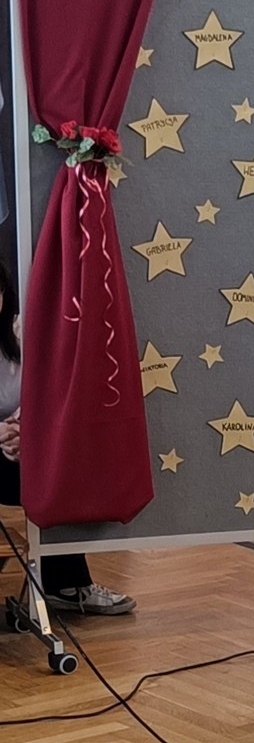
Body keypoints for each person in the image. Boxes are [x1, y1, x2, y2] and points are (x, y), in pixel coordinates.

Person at [0, 257, 135, 615]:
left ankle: (67, 585)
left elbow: (48, 393)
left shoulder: (20, 333)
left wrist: (25, 430)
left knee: (60, 474)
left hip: (22, 450)